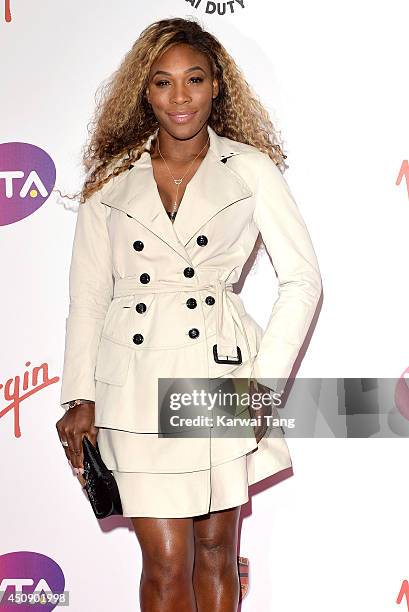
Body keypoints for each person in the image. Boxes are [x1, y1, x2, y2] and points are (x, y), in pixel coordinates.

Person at [55, 16, 322, 611]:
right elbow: (89, 295)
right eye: (162, 82)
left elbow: (302, 280)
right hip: (134, 379)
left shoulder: (250, 170)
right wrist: (79, 393)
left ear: (216, 85)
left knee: (215, 552)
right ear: (143, 91)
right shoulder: (111, 180)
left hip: (218, 375)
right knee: (165, 563)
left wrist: (262, 387)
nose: (180, 98)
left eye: (194, 80)